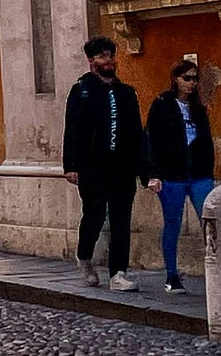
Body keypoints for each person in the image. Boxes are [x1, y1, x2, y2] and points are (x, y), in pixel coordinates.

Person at [63, 35, 159, 292]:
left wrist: (146, 171)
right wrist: (71, 165)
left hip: (122, 167)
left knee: (121, 220)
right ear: (92, 61)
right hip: (92, 167)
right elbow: (71, 129)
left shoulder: (126, 93)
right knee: (94, 215)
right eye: (103, 56)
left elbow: (137, 134)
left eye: (111, 56)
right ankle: (84, 256)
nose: (109, 61)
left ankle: (118, 273)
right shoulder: (82, 91)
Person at [147, 60, 216, 293]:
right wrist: (153, 174)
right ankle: (171, 275)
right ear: (176, 78)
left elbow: (206, 141)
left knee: (210, 223)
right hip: (172, 175)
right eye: (187, 78)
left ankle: (218, 271)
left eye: (195, 78)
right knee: (172, 224)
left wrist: (208, 168)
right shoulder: (162, 104)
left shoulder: (198, 107)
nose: (192, 83)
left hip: (199, 174)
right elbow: (151, 141)